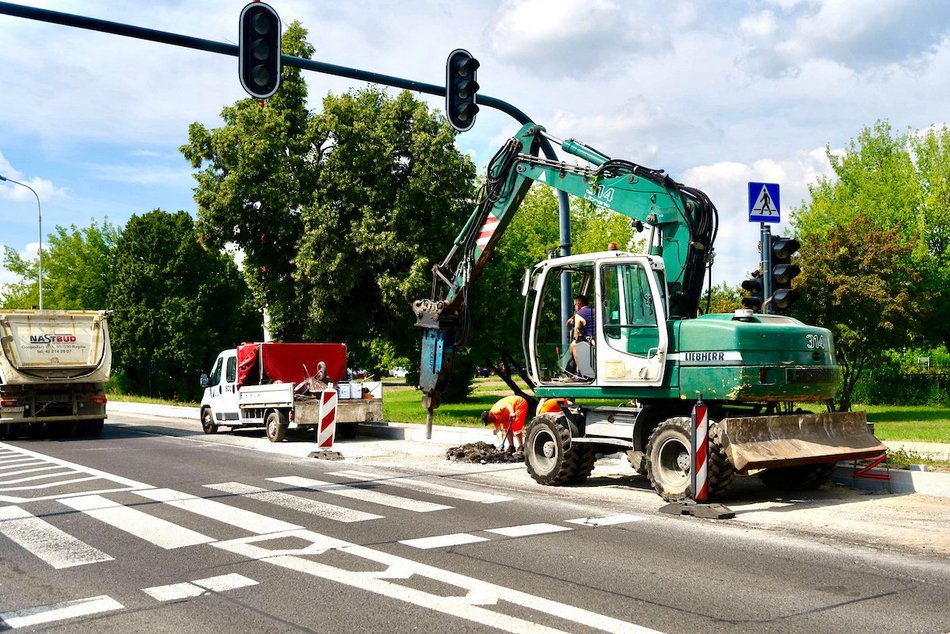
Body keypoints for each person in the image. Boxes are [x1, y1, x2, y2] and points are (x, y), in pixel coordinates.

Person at [566, 295, 596, 376]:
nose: (574, 308)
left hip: (592, 343)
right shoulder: (596, 310)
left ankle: (580, 371)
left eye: (574, 305)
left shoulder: (579, 314)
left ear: (578, 305)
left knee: (574, 345)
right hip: (601, 340)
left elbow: (576, 333)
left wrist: (575, 338)